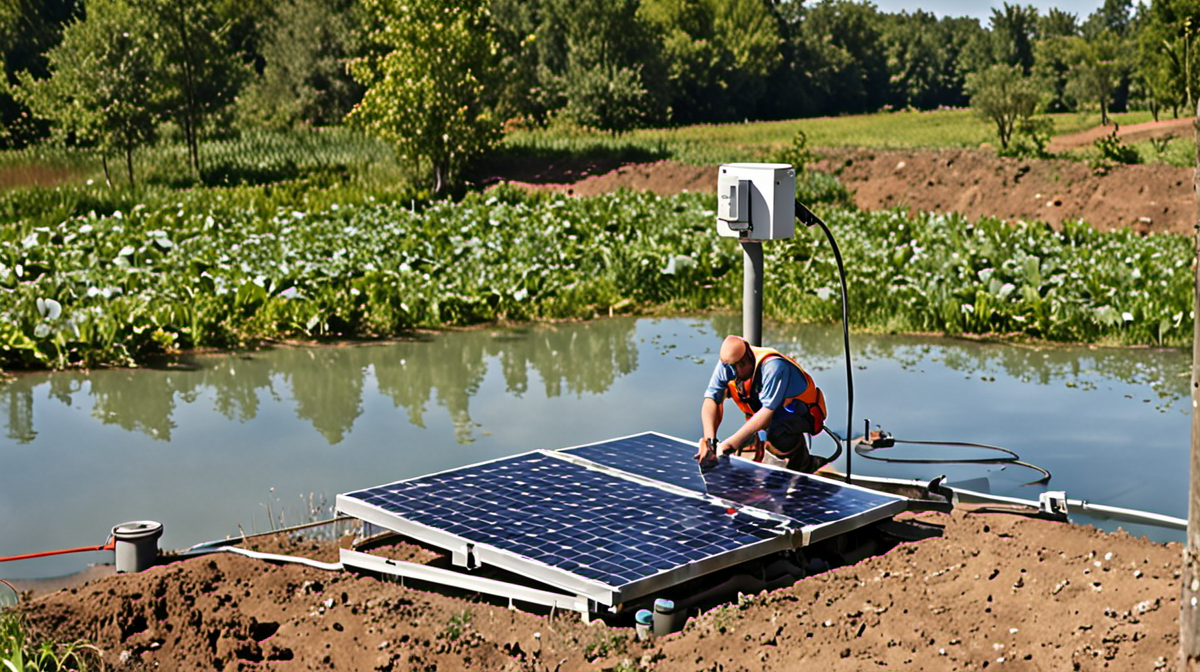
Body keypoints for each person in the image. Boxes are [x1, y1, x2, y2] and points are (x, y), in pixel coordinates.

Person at [696, 334, 827, 473]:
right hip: (773, 412)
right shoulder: (729, 364)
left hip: (802, 412)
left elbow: (766, 414)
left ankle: (803, 464)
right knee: (757, 430)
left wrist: (731, 444)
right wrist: (710, 442)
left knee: (775, 429)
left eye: (737, 368)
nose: (732, 374)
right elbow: (712, 399)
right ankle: (765, 448)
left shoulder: (774, 366)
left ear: (746, 360)